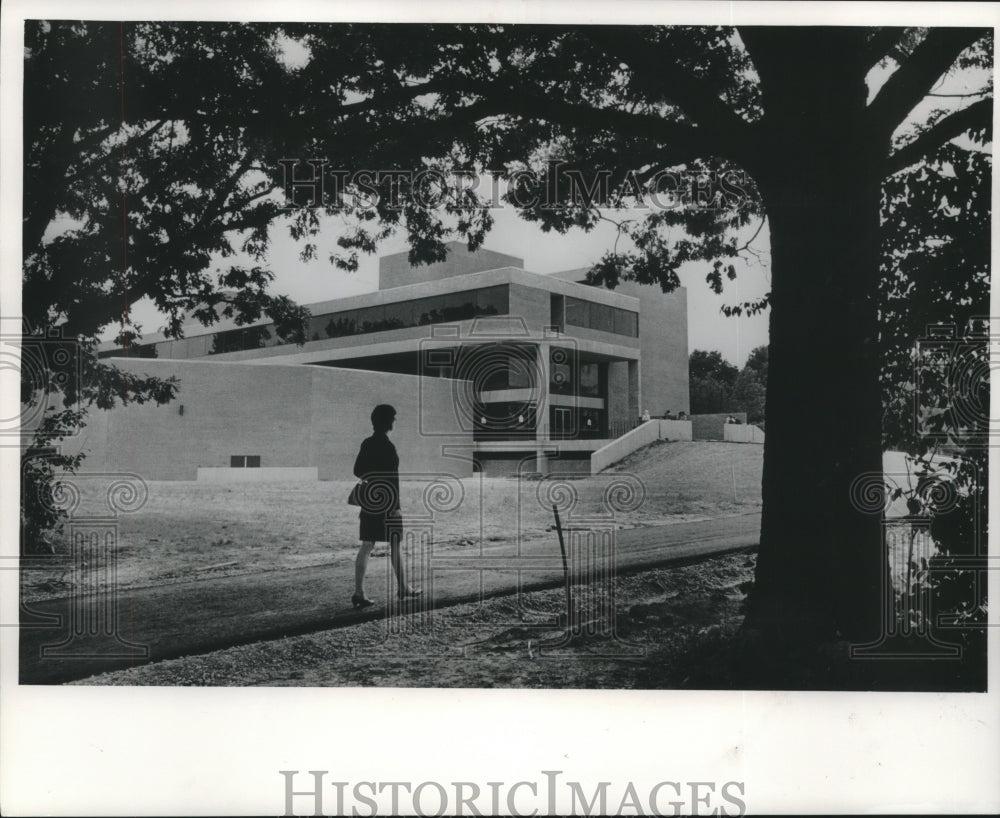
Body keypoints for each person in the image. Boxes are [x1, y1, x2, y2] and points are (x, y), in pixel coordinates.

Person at [351, 404, 421, 607]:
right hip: (389, 504)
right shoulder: (388, 447)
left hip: (370, 502)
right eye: (393, 418)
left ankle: (359, 593)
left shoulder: (367, 443)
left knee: (367, 545)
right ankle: (403, 588)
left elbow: (357, 470)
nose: (395, 421)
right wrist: (394, 505)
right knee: (396, 544)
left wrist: (373, 481)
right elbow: (393, 480)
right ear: (388, 422)